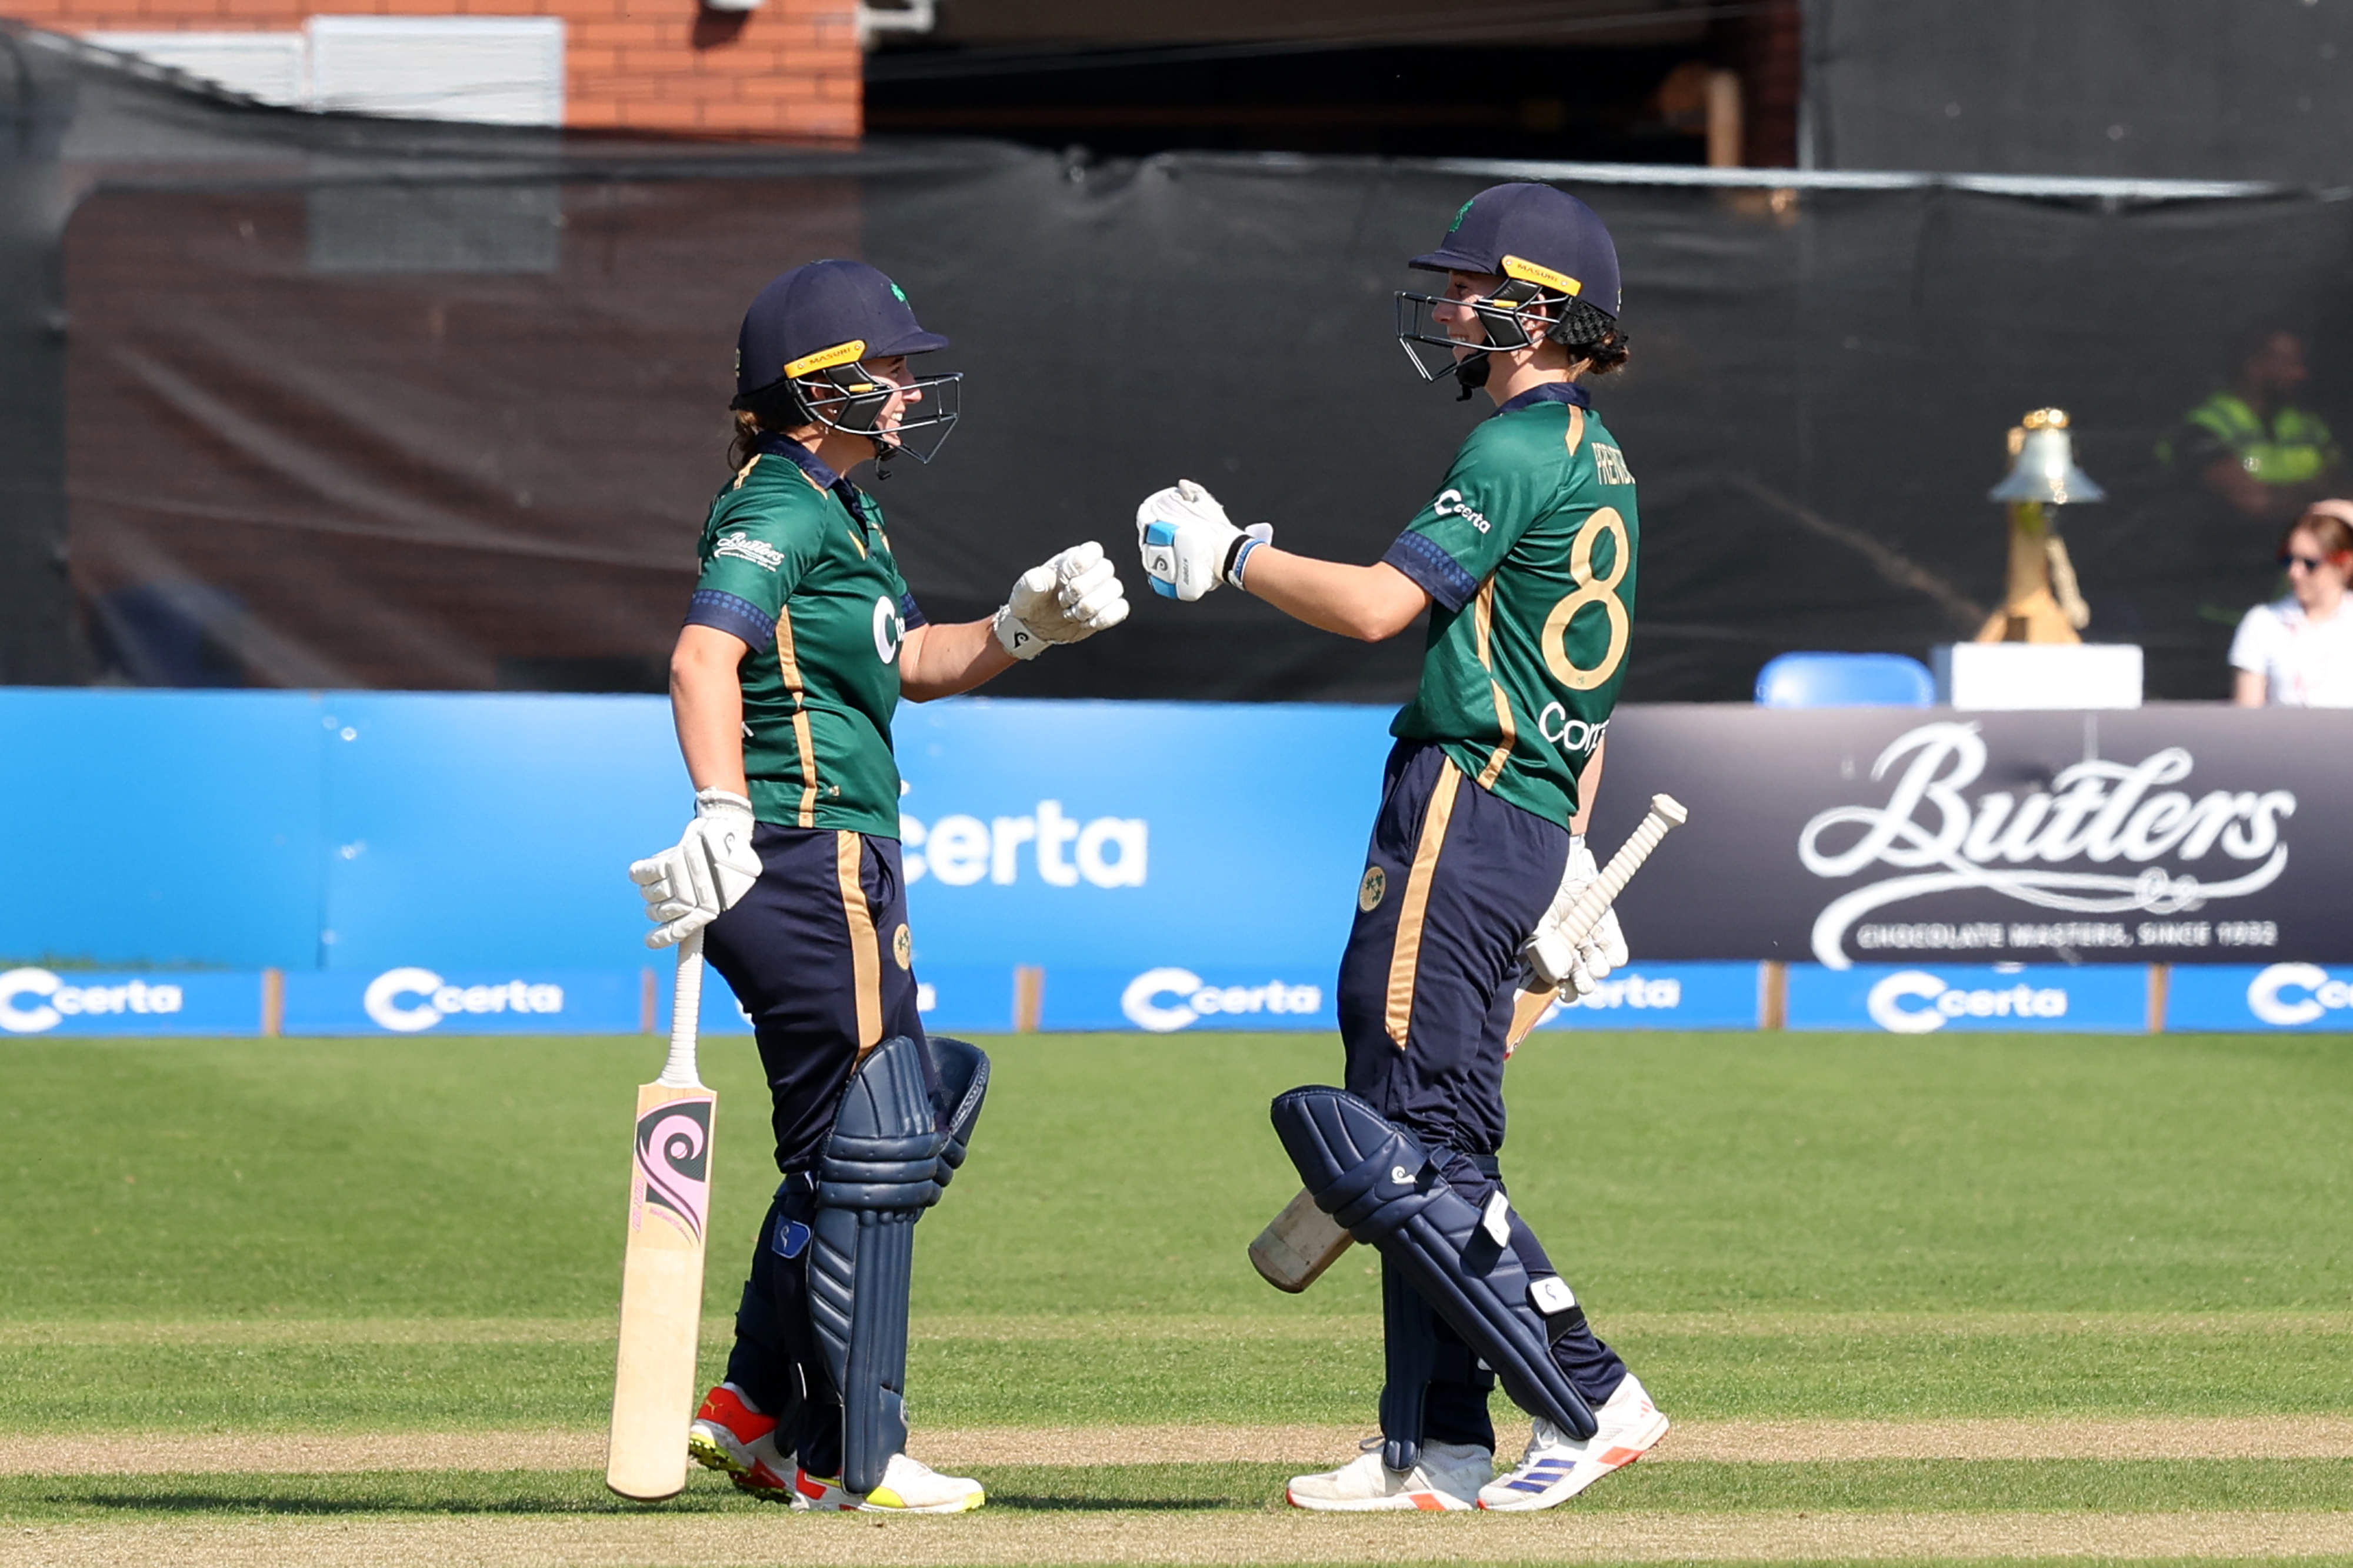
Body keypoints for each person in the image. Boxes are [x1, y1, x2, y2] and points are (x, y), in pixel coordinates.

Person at [1134, 182, 1664, 1513]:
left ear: (1532, 310)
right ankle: (1432, 1444)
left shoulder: (1512, 449)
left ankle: (1589, 1390)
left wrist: (1233, 551)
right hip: (1523, 813)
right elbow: (1587, 706)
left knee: (1406, 1142)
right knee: (1421, 1137)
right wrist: (1566, 865)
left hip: (1461, 802)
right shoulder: (1601, 459)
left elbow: (1378, 606)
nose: (1445, 309)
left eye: (1466, 289)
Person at [628, 259, 1129, 1513]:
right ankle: (853, 1454)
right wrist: (725, 813)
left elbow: (911, 661)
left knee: (856, 1143)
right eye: (888, 368)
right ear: (817, 388)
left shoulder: (844, 511)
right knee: (877, 1140)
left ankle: (754, 1408)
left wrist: (1021, 627)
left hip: (835, 851)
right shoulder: (781, 506)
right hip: (801, 853)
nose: (908, 388)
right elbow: (700, 657)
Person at [2161, 328, 2342, 528]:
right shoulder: (2203, 428)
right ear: (2253, 366)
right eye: (2289, 363)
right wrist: (2319, 492)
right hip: (2229, 554)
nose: (2301, 374)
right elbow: (2255, 504)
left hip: (2316, 548)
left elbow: (2343, 484)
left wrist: (2282, 495)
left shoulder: (2309, 426)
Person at [2231, 501, 2353, 707]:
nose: (2295, 573)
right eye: (2289, 560)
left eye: (2310, 563)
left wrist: (2341, 511)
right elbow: (2247, 717)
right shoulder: (2263, 621)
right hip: (2283, 739)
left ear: (2346, 565)